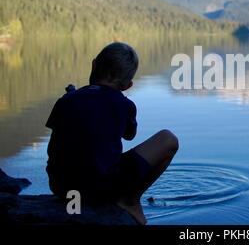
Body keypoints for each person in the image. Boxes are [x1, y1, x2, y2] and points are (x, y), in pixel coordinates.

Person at [45, 42, 179, 225]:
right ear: (128, 85)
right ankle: (130, 201)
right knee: (168, 139)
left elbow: (56, 142)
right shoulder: (124, 105)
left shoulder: (66, 100)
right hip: (100, 189)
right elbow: (129, 135)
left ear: (93, 65)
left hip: (61, 188)